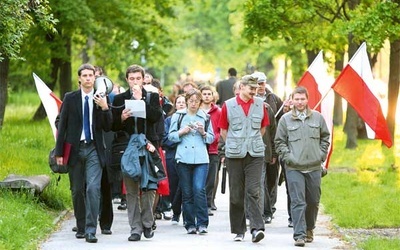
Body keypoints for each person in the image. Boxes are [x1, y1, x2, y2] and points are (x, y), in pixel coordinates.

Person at [55, 63, 113, 243]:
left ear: (95, 78)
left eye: (91, 75)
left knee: (93, 188)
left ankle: (90, 230)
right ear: (79, 78)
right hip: (74, 149)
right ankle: (81, 226)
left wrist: (105, 108)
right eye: (85, 75)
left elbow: (108, 126)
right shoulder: (70, 98)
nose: (88, 78)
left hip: (94, 148)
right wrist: (59, 152)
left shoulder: (101, 98)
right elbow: (62, 125)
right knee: (77, 190)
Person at [111, 64, 163, 241]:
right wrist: (121, 118)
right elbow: (113, 126)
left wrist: (142, 101)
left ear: (143, 79)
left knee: (149, 188)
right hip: (128, 149)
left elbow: (156, 117)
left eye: (138, 78)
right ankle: (135, 228)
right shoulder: (119, 98)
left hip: (148, 147)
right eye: (131, 79)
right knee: (132, 190)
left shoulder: (152, 96)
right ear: (127, 80)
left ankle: (147, 224)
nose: (135, 82)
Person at [274, 86, 330, 247]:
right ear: (292, 100)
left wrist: (321, 155)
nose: (299, 102)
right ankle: (299, 235)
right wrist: (288, 158)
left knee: (313, 201)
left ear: (307, 99)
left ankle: (309, 229)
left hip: (314, 167)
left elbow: (325, 137)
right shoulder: (285, 120)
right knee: (298, 201)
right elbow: (279, 142)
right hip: (294, 168)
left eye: (302, 99)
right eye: (296, 99)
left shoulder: (317, 118)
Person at [218, 75, 269, 243]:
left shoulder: (261, 105)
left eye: (256, 88)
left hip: (255, 155)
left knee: (254, 191)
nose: (255, 91)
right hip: (234, 155)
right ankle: (239, 230)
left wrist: (251, 142)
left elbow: (263, 128)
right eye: (251, 88)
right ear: (242, 87)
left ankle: (256, 228)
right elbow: (223, 130)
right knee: (237, 193)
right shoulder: (228, 105)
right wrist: (235, 143)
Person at [168, 89, 214, 234]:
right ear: (187, 101)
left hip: (201, 158)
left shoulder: (205, 117)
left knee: (199, 189)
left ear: (200, 103)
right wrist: (182, 132)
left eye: (197, 101)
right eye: (191, 101)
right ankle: (189, 223)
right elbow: (170, 137)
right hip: (183, 158)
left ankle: (202, 223)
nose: (194, 104)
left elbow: (212, 138)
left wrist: (203, 132)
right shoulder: (178, 116)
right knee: (187, 192)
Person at [251, 71, 282, 224]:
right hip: (254, 149)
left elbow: (278, 127)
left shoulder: (273, 100)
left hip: (269, 146)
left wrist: (276, 151)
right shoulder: (247, 101)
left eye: (262, 83)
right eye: (257, 84)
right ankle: (262, 212)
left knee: (271, 180)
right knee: (259, 181)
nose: (260, 86)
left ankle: (269, 208)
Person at [94, 67, 114, 236]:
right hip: (87, 147)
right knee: (87, 187)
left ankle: (106, 223)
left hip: (104, 148)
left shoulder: (108, 99)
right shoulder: (76, 98)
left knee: (105, 187)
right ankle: (86, 221)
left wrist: (105, 107)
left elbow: (109, 126)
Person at [162, 94, 186, 224]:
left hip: (187, 155)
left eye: (184, 102)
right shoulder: (168, 120)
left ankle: (186, 212)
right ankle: (176, 212)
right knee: (174, 185)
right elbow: (165, 139)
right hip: (172, 156)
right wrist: (180, 137)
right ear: (175, 105)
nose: (181, 104)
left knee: (185, 185)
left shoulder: (192, 119)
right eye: (179, 102)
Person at [199, 86, 221, 215]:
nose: (207, 96)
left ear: (213, 96)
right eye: (204, 94)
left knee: (211, 179)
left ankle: (208, 203)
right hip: (198, 148)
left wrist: (213, 139)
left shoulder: (218, 111)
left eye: (209, 94)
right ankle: (199, 204)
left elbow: (221, 130)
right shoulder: (197, 111)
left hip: (213, 149)